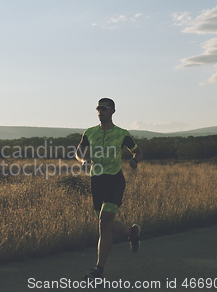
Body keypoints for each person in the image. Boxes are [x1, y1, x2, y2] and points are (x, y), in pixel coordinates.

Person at [76, 97, 143, 280]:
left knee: (105, 221)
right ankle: (132, 232)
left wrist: (134, 160)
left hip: (115, 180)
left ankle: (99, 270)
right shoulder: (89, 133)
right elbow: (79, 152)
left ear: (113, 111)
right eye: (98, 108)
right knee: (106, 224)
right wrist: (83, 160)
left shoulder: (122, 133)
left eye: (104, 108)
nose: (100, 111)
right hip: (96, 181)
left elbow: (137, 150)